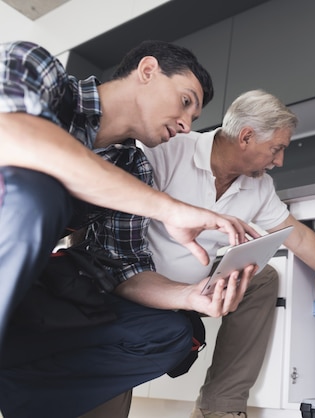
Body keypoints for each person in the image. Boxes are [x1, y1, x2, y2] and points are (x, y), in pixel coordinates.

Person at [0, 40, 258, 418]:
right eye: (185, 101)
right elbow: (14, 135)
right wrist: (170, 209)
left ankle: (15, 394)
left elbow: (126, 268)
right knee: (39, 192)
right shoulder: (39, 68)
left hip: (21, 294)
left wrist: (192, 295)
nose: (187, 125)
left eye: (195, 118)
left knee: (171, 334)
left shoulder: (134, 169)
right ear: (148, 70)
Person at [132, 89, 315, 418]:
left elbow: (299, 238)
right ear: (247, 137)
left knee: (263, 277)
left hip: (195, 281)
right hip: (141, 278)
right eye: (277, 148)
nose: (279, 160)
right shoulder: (171, 150)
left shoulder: (259, 185)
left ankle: (220, 407)